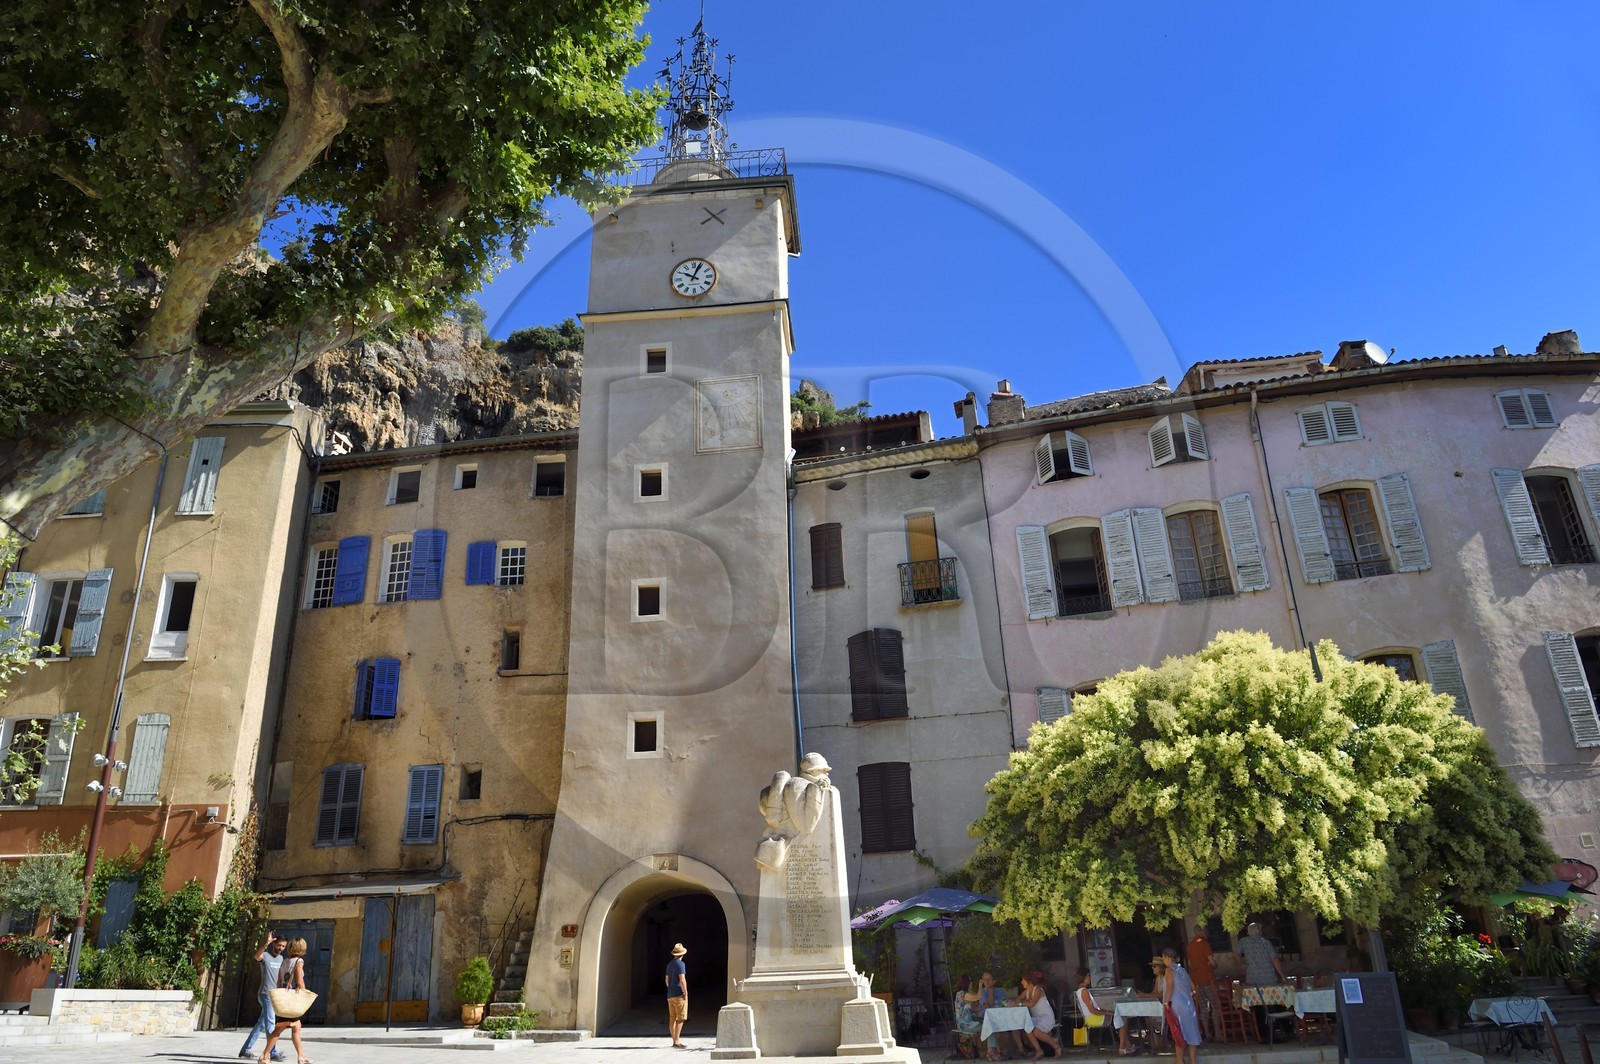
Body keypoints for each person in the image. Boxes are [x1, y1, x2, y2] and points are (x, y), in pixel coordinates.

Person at [259, 937, 311, 1064]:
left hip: (284, 998)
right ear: (302, 948)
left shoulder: (285, 961)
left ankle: (301, 1056)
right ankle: (264, 1056)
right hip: (292, 999)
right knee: (279, 1028)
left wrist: (281, 995)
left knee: (296, 1027)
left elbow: (279, 981)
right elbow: (299, 981)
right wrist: (304, 993)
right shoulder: (299, 961)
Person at [239, 930, 288, 1061]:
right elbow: (256, 956)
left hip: (275, 995)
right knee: (271, 1023)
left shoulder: (281, 958)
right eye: (279, 945)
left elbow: (280, 977)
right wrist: (265, 943)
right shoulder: (265, 956)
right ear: (274, 944)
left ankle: (245, 1050)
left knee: (261, 1024)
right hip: (265, 994)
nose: (281, 948)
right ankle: (273, 1052)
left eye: (283, 946)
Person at [1161, 947, 1202, 1064]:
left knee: (1178, 1033)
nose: (1163, 960)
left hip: (1177, 1004)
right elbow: (1194, 988)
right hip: (1189, 1005)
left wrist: (1166, 1002)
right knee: (1192, 1032)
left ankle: (1179, 1061)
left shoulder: (1169, 970)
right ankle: (1192, 1061)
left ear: (1168, 958)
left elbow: (1170, 987)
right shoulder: (1183, 970)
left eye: (1164, 957)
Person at [1016, 971, 1060, 1061]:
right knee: (1026, 1026)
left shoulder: (1038, 990)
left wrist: (1019, 1003)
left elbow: (1032, 1003)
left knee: (1036, 1031)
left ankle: (1056, 1047)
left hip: (1046, 1017)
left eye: (1023, 980)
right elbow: (1018, 999)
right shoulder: (1026, 992)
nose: (1021, 982)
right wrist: (1013, 1002)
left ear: (1029, 981)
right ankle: (1038, 1050)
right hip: (1036, 1018)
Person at [1186, 928, 1219, 1041]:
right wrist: (1215, 965)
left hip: (1196, 981)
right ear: (1202, 932)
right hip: (1207, 978)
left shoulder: (1190, 945)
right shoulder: (1204, 944)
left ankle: (1207, 1033)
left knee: (1203, 1007)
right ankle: (1218, 1034)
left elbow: (1190, 964)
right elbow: (1212, 961)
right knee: (1215, 1006)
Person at [1239, 921, 1286, 986]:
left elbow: (1235, 953)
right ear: (1259, 931)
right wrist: (1282, 975)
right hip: (1268, 977)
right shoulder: (1266, 942)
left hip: (1252, 977)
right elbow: (1274, 959)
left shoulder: (1243, 941)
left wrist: (1240, 964)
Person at [666, 942, 689, 1048]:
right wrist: (685, 992)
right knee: (681, 1018)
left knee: (672, 1018)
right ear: (682, 954)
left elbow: (666, 980)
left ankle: (674, 1040)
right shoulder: (681, 964)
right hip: (679, 994)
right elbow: (682, 979)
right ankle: (677, 1041)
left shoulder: (669, 964)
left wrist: (670, 987)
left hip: (670, 994)